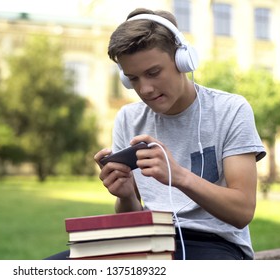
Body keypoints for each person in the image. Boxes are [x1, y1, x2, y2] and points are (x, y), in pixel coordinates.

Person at [45, 7, 266, 260]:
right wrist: (126, 195)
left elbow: (242, 212)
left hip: (215, 245)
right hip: (147, 240)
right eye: (133, 79)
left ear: (183, 60)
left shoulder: (230, 109)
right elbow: (131, 221)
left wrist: (179, 175)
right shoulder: (128, 118)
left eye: (153, 73)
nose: (145, 89)